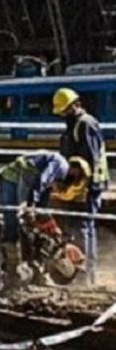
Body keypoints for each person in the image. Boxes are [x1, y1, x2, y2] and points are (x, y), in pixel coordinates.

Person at [0, 151, 89, 285]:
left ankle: (36, 271)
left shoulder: (54, 179)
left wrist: (43, 219)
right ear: (75, 170)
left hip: (24, 179)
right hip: (12, 178)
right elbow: (41, 180)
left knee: (30, 228)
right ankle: (12, 272)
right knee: (13, 222)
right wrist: (31, 205)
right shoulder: (61, 165)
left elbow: (42, 202)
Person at [54, 88, 109, 280]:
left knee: (84, 226)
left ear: (75, 105)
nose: (63, 115)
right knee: (78, 225)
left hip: (89, 184)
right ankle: (80, 269)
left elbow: (90, 160)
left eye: (65, 111)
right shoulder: (74, 126)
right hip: (79, 184)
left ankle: (85, 273)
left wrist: (82, 185)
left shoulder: (85, 125)